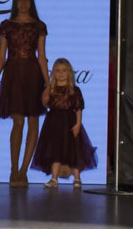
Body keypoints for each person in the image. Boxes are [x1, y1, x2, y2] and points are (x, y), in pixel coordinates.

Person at [0, 0, 47, 183]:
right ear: (15, 2)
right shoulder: (7, 26)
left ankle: (23, 171)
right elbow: (1, 56)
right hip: (13, 74)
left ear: (31, 2)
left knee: (33, 121)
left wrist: (48, 85)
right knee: (18, 122)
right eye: (20, 0)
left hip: (33, 74)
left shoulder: (39, 26)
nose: (23, 3)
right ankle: (14, 170)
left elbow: (42, 57)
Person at [31, 58, 97, 186]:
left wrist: (78, 124)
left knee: (74, 150)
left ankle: (77, 178)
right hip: (53, 123)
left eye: (64, 70)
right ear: (53, 73)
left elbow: (78, 108)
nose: (61, 74)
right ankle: (54, 178)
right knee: (55, 150)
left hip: (70, 122)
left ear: (69, 72)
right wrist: (45, 95)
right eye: (57, 71)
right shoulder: (51, 89)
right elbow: (45, 104)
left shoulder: (74, 90)